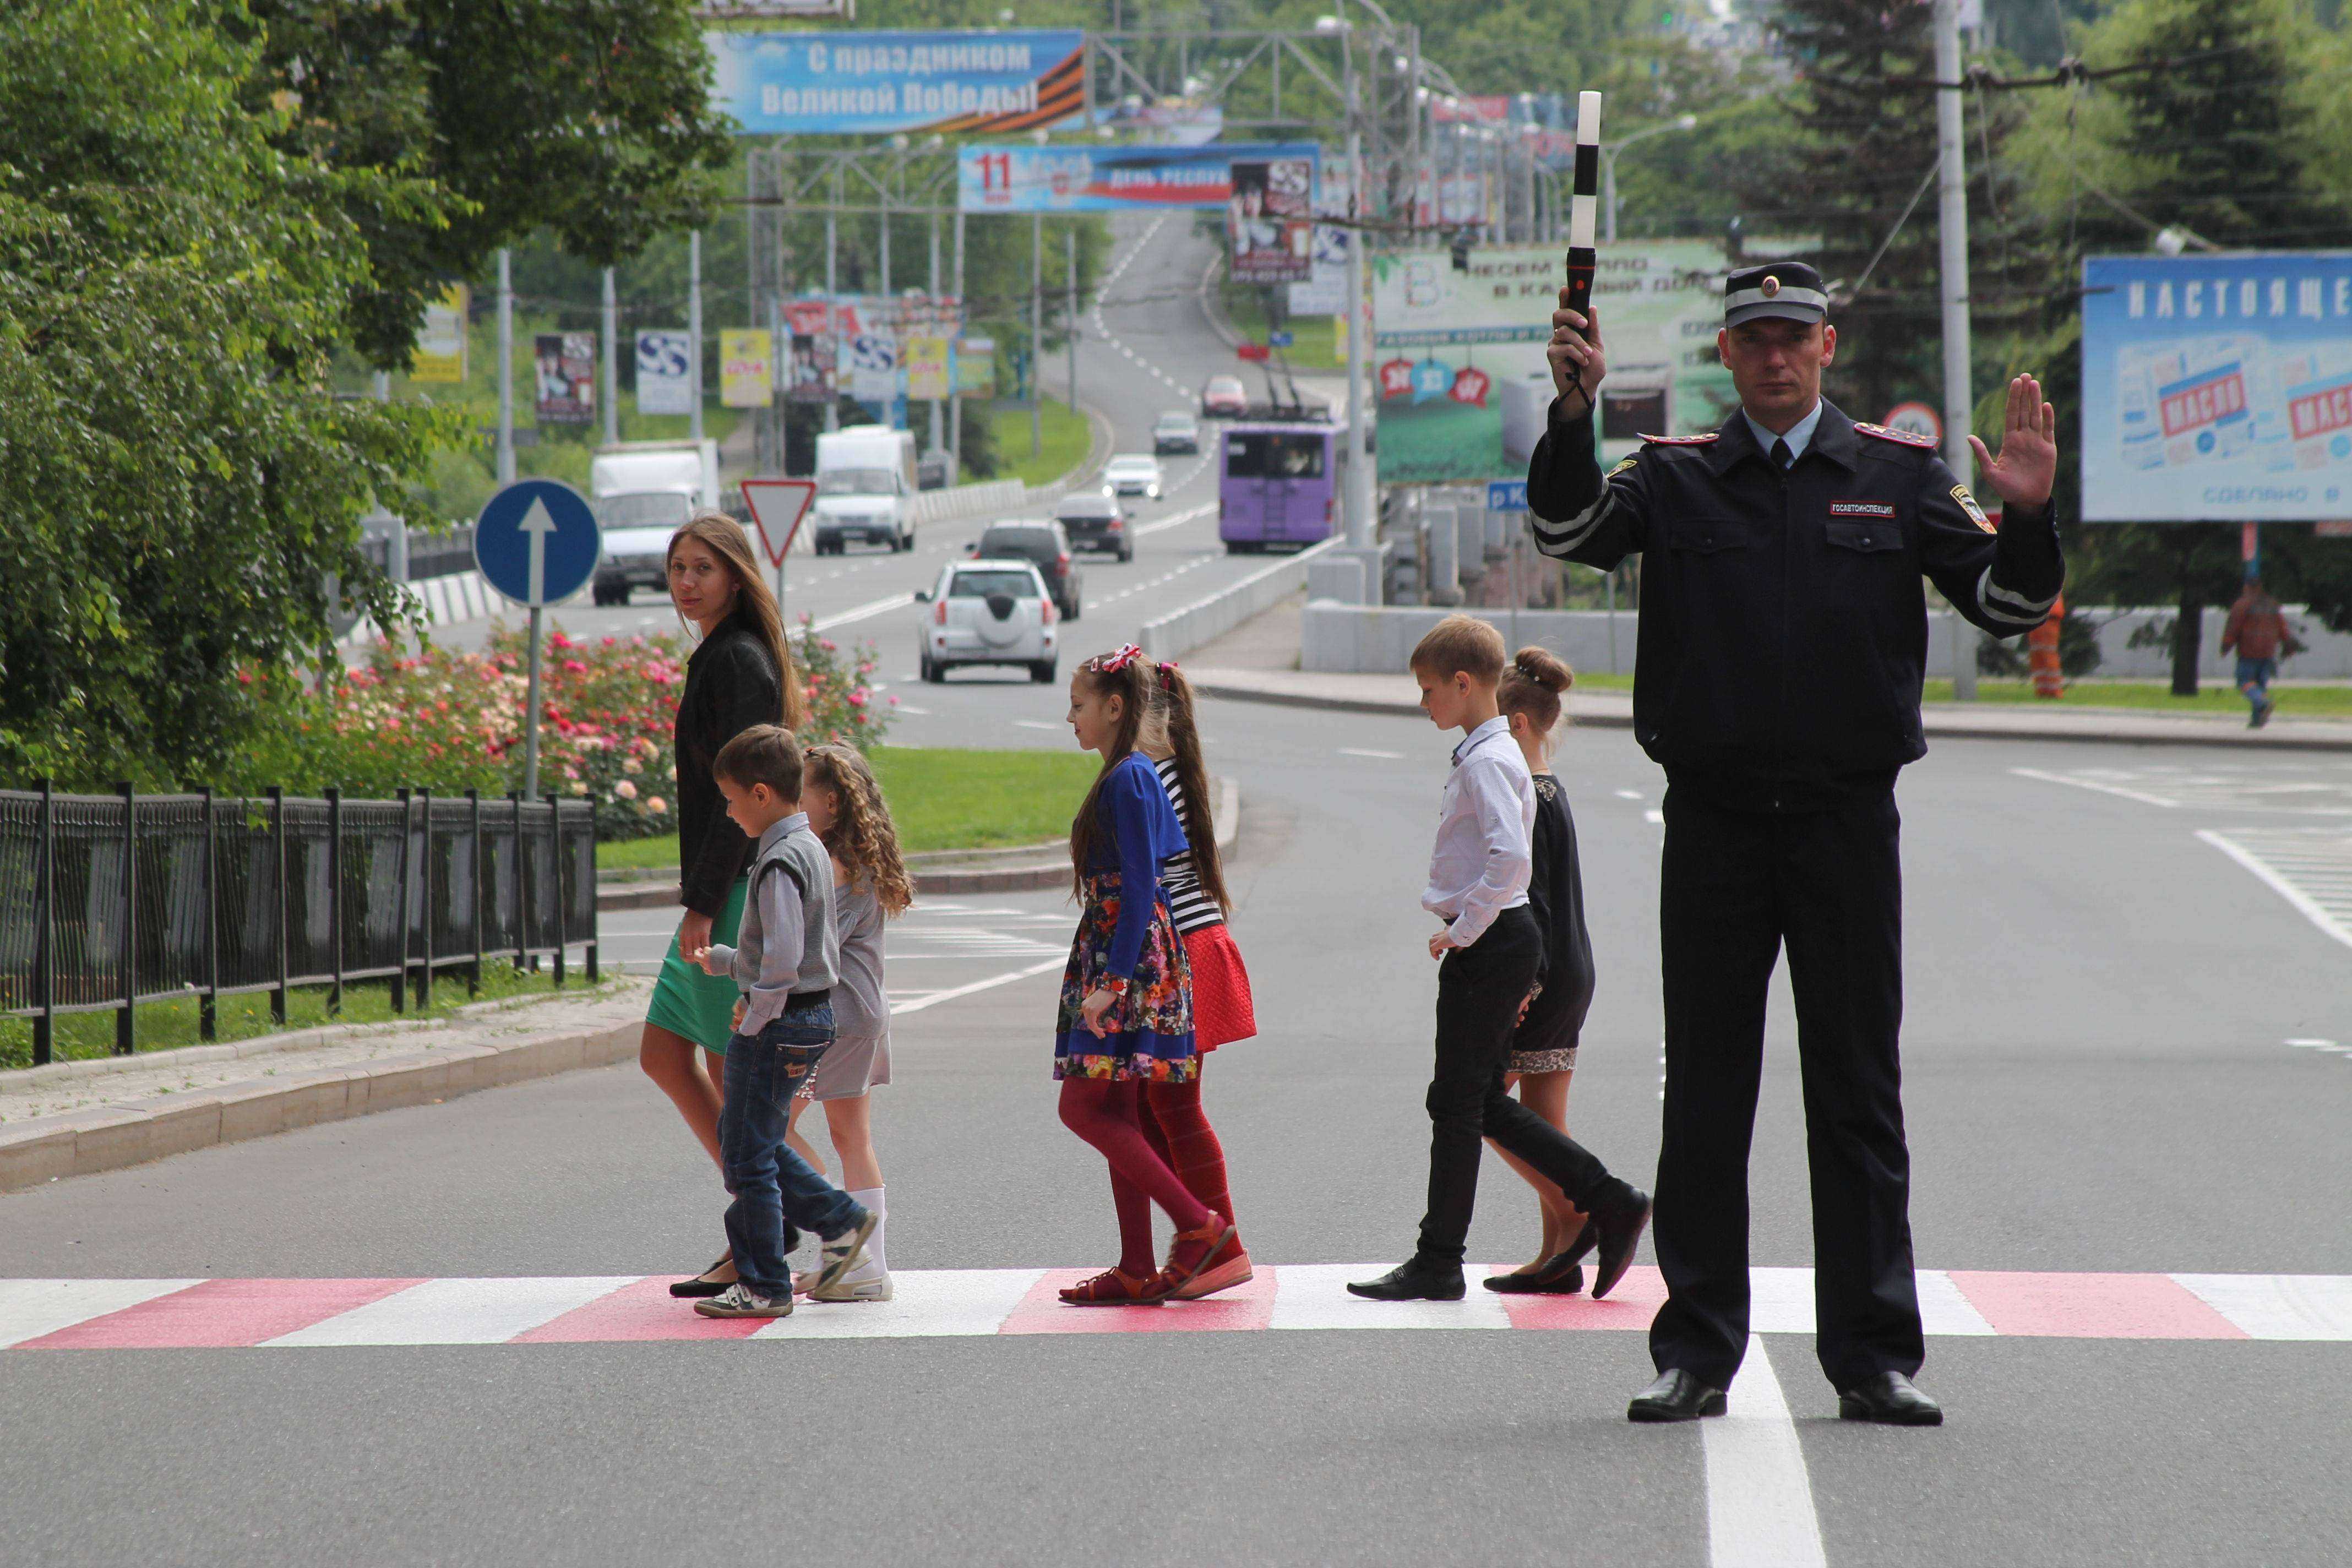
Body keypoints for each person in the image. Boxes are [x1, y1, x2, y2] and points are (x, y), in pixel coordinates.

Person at [1527, 260, 2066, 1426]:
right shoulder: (1675, 478)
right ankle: (1697, 1349)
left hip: (1844, 825)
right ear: (1726, 353)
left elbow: (2008, 608)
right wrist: (1572, 413)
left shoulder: (1898, 476)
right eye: (1754, 337)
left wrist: (2026, 514)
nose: (1775, 355)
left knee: (1858, 1093)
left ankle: (1874, 1355)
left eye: (1795, 336)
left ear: (1830, 347)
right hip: (1715, 825)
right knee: (1709, 1098)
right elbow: (1570, 527)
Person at [1348, 616, 1652, 1306]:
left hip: (1494, 941)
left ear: (1464, 683)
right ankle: (1595, 1204)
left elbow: (1512, 859)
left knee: (1459, 1103)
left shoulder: (1489, 759)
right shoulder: (1493, 751)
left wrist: (1464, 930)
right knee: (1466, 1102)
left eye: (1429, 690)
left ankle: (1457, 1254)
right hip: (1503, 940)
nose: (1423, 702)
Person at [645, 513, 806, 1301]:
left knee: (718, 1069)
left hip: (736, 890)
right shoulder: (719, 655)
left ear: (736, 577)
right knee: (683, 1058)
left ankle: (788, 1222)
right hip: (726, 887)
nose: (686, 582)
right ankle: (769, 1223)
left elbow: (743, 800)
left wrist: (703, 906)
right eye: (677, 567)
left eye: (702, 568)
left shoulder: (737, 660)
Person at [1054, 646, 1237, 1305]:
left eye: (1078, 705)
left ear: (1114, 706)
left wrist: (1112, 981)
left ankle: (1199, 1225)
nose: (1069, 717)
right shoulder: (1129, 773)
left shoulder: (1131, 776)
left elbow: (1140, 887)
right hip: (1122, 955)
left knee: (1082, 1107)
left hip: (1125, 961)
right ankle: (1135, 1266)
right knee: (1118, 1109)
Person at [685, 725, 875, 1319]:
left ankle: (766, 1282)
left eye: (733, 798)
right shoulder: (810, 847)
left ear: (762, 794)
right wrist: (727, 963)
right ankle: (840, 1219)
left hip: (781, 1020)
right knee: (755, 1143)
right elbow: (800, 945)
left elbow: (786, 955)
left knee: (745, 1158)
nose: (729, 810)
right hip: (812, 1015)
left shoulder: (776, 861)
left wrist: (756, 1012)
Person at [1482, 646, 1600, 1298]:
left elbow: (1538, 898)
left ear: (1520, 724)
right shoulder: (1552, 790)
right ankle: (1558, 1254)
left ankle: (1583, 1211)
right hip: (1571, 967)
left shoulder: (1529, 795)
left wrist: (1523, 986)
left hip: (1544, 973)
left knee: (1478, 1101)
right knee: (1544, 1116)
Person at [1136, 661, 1254, 1300]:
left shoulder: (1156, 777)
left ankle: (1220, 1242)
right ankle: (1200, 1238)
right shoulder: (1168, 772)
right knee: (1158, 1106)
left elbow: (1142, 876)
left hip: (1183, 950)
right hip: (1189, 944)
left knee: (1173, 1106)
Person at [782, 743, 913, 1303]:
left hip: (830, 1017)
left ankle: (844, 1242)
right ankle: (865, 1265)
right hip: (862, 1014)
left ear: (830, 802)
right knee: (851, 1136)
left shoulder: (828, 864)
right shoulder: (859, 859)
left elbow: (812, 951)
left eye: (800, 791)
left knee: (768, 1129)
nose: (792, 801)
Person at [2221, 575, 2300, 728]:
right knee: (2260, 685)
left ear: (2247, 588)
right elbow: (2282, 627)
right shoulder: (2271, 604)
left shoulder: (2242, 605)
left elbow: (2233, 628)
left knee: (2244, 682)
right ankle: (2257, 720)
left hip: (2249, 651)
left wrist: (2226, 646)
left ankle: (2263, 703)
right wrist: (2287, 644)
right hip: (2268, 652)